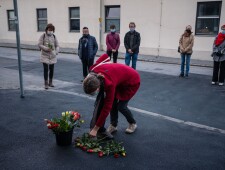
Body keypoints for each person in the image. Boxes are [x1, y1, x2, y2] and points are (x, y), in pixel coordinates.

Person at [83, 54, 140, 138]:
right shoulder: (93, 71)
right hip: (119, 79)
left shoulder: (109, 85)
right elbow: (105, 56)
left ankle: (132, 123)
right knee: (113, 103)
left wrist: (95, 129)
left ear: (98, 87)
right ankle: (113, 125)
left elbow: (106, 108)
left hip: (131, 81)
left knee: (121, 106)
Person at [38, 23, 59, 89]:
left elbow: (57, 45)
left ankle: (50, 82)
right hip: (45, 55)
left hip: (52, 55)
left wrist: (56, 51)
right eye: (49, 30)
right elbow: (39, 44)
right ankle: (46, 83)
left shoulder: (54, 36)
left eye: (52, 30)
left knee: (52, 69)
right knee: (46, 69)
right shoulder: (43, 36)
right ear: (46, 29)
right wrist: (46, 48)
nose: (50, 31)